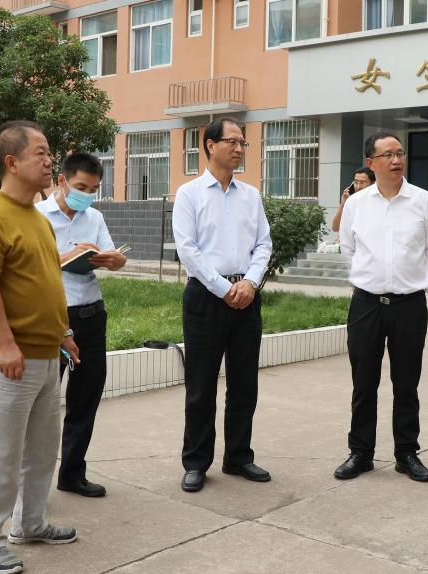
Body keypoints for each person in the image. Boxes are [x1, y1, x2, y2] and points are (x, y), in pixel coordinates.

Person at [0, 121, 81, 574]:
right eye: (41, 152)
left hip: (46, 354)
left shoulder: (38, 218)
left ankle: (29, 523)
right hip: (9, 358)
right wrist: (7, 345)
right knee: (1, 452)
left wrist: (63, 333)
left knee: (41, 449)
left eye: (49, 152)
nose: (50, 161)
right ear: (12, 162)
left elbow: (47, 282)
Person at [334, 132, 428, 483]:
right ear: (371, 162)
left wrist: (407, 278)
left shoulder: (424, 201)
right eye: (388, 155)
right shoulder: (356, 204)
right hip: (366, 303)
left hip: (409, 304)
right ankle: (360, 453)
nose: (396, 160)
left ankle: (406, 453)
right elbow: (348, 248)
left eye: (400, 153)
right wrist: (373, 277)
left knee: (406, 382)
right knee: (363, 382)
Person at [172, 117, 273, 493]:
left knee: (245, 383)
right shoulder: (189, 194)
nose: (239, 148)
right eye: (232, 141)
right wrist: (223, 288)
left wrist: (250, 282)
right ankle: (196, 462)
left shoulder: (251, 195)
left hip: (246, 296)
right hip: (206, 298)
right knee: (201, 385)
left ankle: (238, 457)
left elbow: (264, 243)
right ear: (210, 145)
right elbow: (188, 249)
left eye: (243, 143)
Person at [36, 152, 127, 499]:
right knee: (43, 406)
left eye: (93, 189)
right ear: (62, 180)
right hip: (54, 317)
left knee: (85, 399)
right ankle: (34, 487)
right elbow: (32, 265)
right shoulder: (38, 216)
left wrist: (114, 260)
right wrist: (65, 258)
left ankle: (72, 474)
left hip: (91, 315)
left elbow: (112, 257)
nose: (86, 195)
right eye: (81, 187)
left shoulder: (95, 217)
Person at [331, 167, 375, 232]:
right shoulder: (351, 201)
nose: (358, 186)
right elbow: (335, 228)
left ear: (373, 183)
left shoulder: (377, 202)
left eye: (362, 182)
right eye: (356, 182)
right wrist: (343, 204)